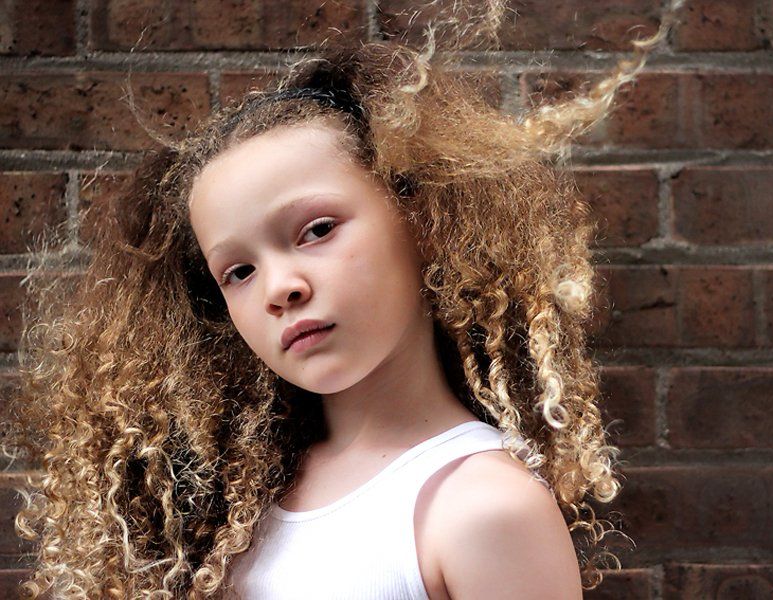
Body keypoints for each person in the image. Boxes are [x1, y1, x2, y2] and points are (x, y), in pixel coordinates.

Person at [2, 2, 680, 598]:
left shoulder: (481, 508)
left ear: (423, 222)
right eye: (236, 271)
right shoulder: (232, 506)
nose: (280, 288)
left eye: (317, 230)